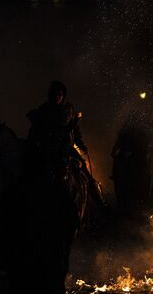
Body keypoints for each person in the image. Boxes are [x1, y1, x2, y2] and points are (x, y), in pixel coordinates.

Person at [22, 80, 105, 209]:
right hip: (47, 149)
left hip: (67, 149)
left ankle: (101, 204)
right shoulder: (44, 110)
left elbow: (75, 130)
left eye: (59, 94)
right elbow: (35, 131)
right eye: (55, 94)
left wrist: (81, 144)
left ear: (63, 95)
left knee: (85, 173)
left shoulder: (69, 109)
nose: (57, 97)